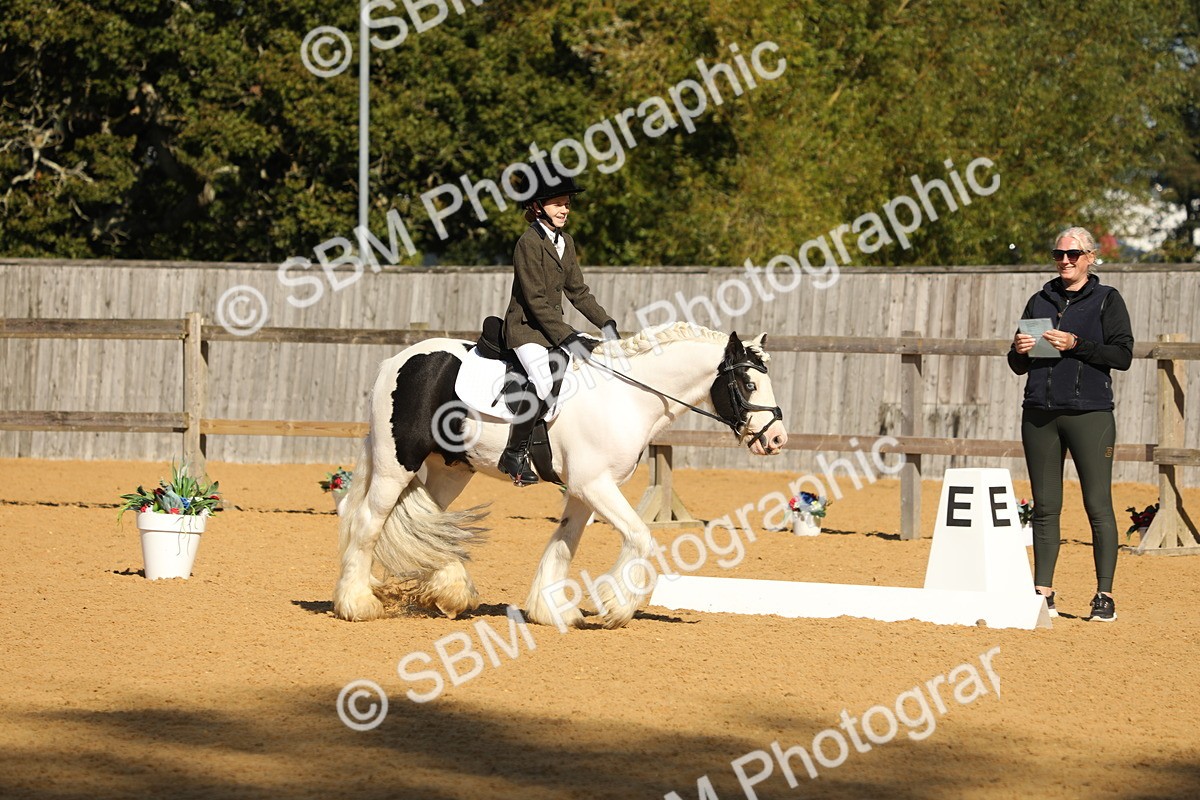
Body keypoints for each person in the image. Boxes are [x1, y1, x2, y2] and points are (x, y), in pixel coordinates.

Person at [1007, 226, 1133, 622]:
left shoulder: (1107, 299)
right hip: (1039, 413)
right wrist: (1019, 349)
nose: (1064, 260)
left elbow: (1123, 356)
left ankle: (1104, 595)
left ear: (1090, 258)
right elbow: (1017, 365)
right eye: (1058, 254)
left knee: (1098, 505)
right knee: (1045, 507)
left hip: (1090, 414)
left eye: (1073, 254)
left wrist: (1077, 344)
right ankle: (1043, 593)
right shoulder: (1039, 299)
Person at [498, 170, 618, 487]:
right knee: (542, 381)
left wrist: (606, 323)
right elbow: (535, 301)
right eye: (557, 204)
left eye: (567, 204)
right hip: (526, 330)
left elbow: (578, 292)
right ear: (538, 207)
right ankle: (513, 454)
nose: (565, 209)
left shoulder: (566, 242)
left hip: (551, 330)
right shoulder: (528, 244)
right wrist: (569, 336)